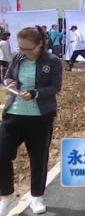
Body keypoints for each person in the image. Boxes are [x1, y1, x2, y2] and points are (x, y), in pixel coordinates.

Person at [0, 26, 62, 215]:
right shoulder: (19, 58)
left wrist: (35, 93)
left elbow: (55, 87)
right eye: (20, 49)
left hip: (40, 118)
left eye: (28, 49)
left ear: (40, 44)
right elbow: (8, 75)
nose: (23, 53)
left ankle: (36, 196)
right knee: (1, 152)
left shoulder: (52, 61)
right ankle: (7, 196)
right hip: (14, 114)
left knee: (38, 158)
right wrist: (8, 82)